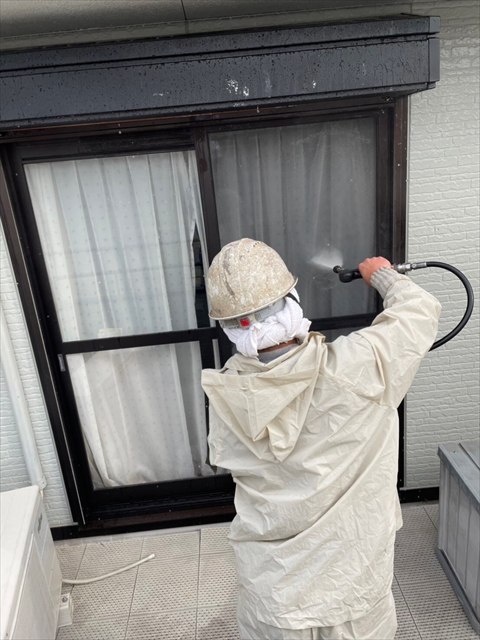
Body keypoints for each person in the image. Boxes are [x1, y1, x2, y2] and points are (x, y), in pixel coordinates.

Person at [201, 238, 441, 640]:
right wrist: (383, 275)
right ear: (292, 302)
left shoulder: (225, 395)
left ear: (228, 328)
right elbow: (418, 311)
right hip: (352, 592)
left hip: (273, 599)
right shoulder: (358, 368)